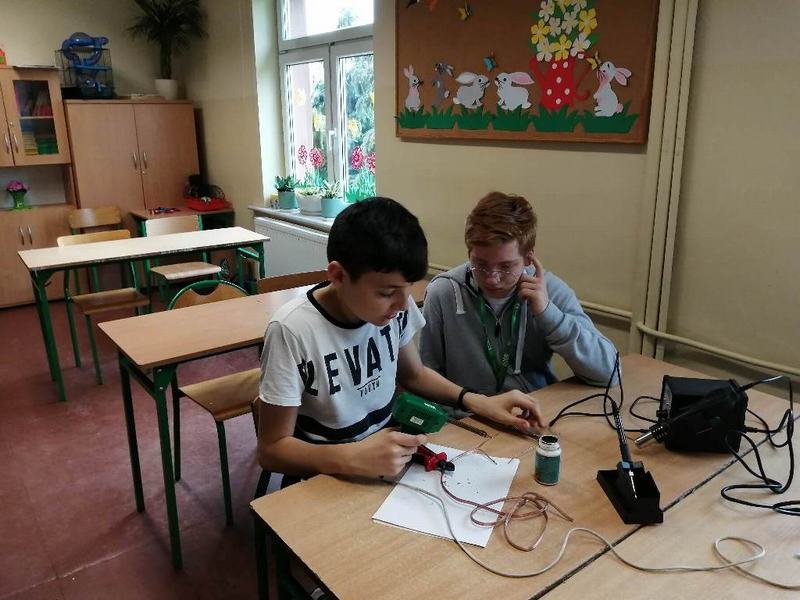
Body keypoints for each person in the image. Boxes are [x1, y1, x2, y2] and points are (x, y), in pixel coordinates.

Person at [257, 197, 545, 481]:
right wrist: (351, 457)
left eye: (407, 289)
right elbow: (271, 451)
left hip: (387, 456)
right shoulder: (292, 331)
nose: (402, 304)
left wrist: (477, 401)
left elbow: (414, 374)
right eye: (386, 293)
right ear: (339, 276)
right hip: (326, 472)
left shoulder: (394, 308)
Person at [419, 191, 618, 400]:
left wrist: (549, 315)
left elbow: (609, 373)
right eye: (481, 264)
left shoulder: (550, 290)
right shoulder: (443, 292)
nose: (492, 279)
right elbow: (425, 378)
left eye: (506, 267)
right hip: (468, 413)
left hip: (532, 409)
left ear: (529, 258)